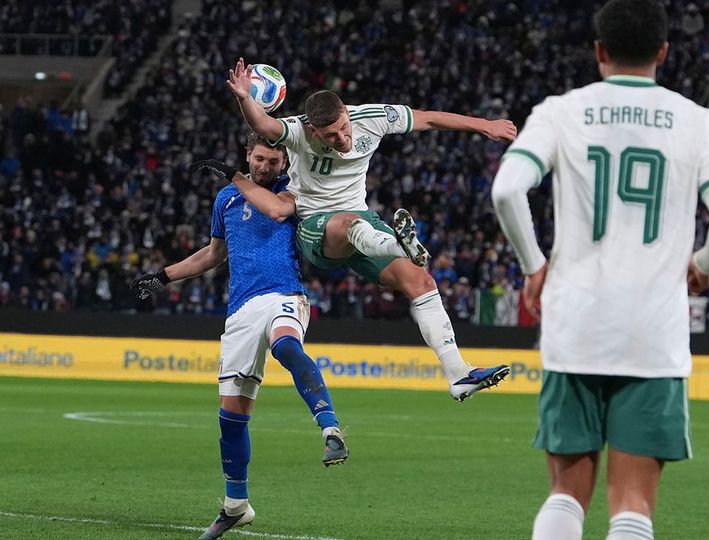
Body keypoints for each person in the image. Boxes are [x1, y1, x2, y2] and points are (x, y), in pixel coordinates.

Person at [491, 1, 709, 538]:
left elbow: (508, 188)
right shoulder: (699, 122)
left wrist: (534, 266)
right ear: (662, 52)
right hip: (653, 332)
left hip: (576, 322)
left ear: (599, 51)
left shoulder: (560, 111)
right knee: (632, 504)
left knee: (565, 495)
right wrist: (701, 266)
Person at [218, 57, 517, 401]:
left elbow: (430, 118)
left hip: (363, 221)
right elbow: (266, 127)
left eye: (344, 128)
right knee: (349, 224)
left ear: (346, 111)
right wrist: (244, 98)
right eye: (331, 136)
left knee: (420, 281)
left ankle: (458, 374)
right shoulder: (298, 132)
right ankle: (397, 244)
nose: (342, 138)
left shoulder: (371, 118)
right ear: (314, 130)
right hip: (316, 227)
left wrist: (484, 125)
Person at [131, 135, 348, 540]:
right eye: (260, 159)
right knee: (231, 418)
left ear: (284, 163)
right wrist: (163, 276)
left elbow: (280, 214)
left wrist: (238, 176)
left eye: (274, 161)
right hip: (240, 312)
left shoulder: (293, 191)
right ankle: (235, 507)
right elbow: (212, 254)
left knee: (286, 345)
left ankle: (331, 430)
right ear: (248, 155)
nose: (266, 167)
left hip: (284, 294)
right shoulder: (226, 200)